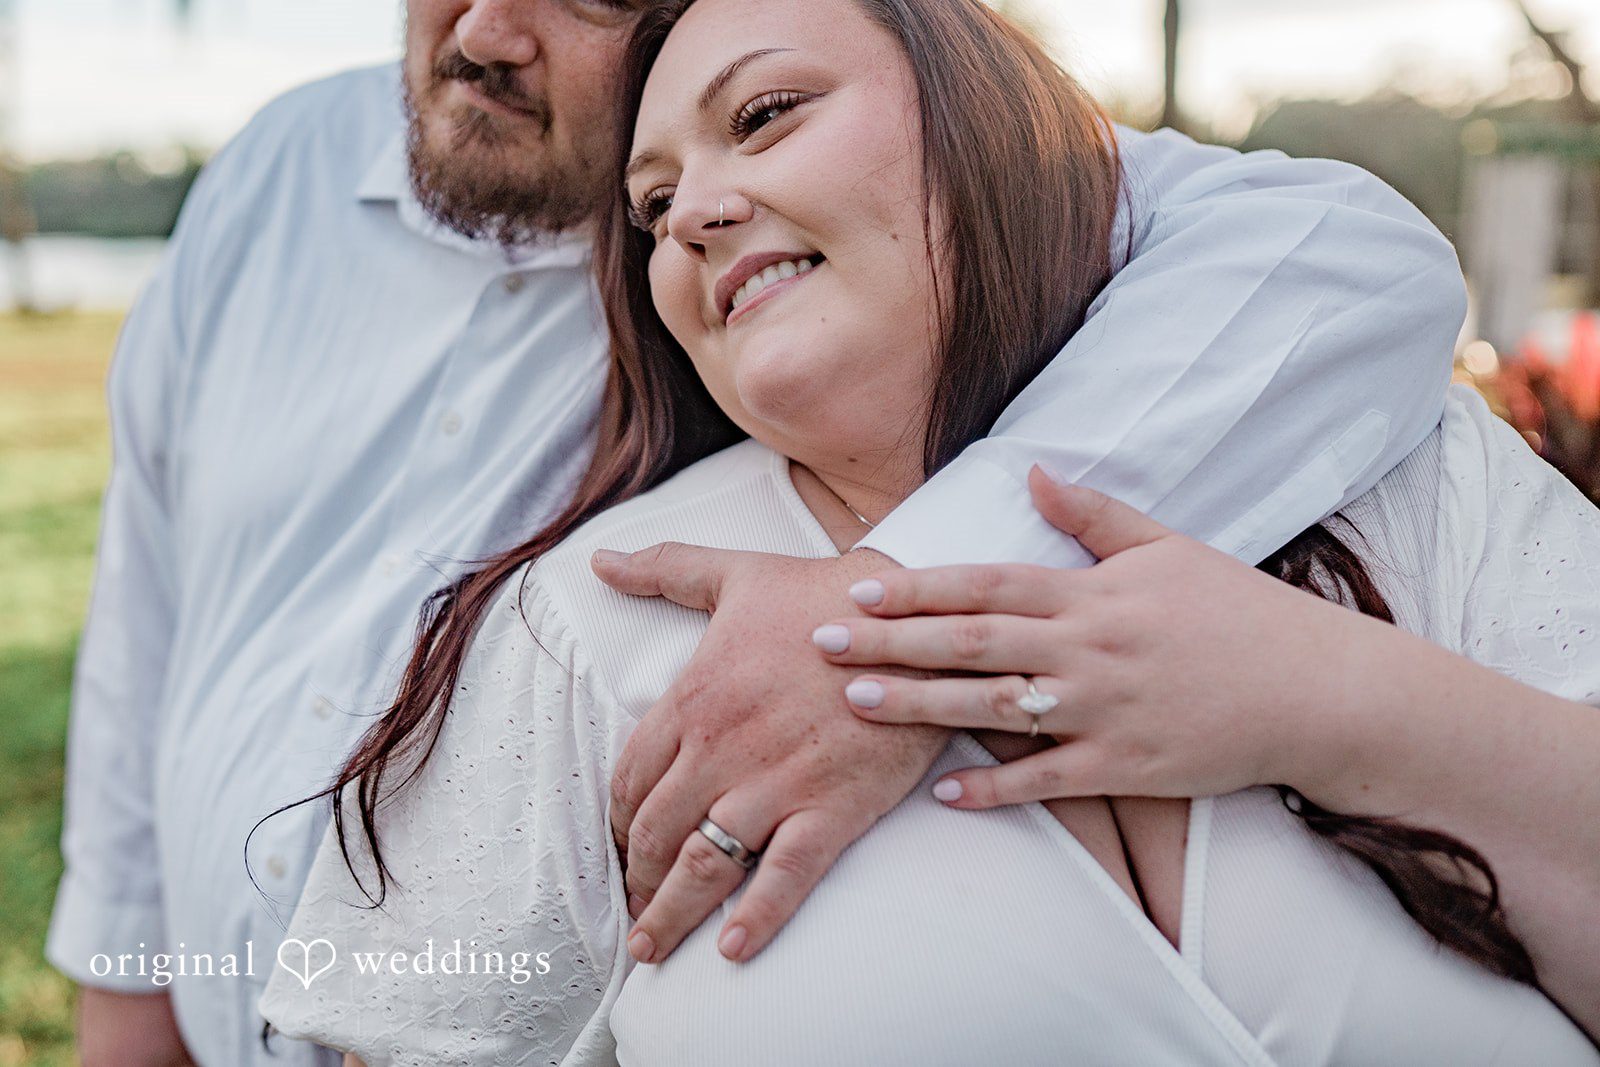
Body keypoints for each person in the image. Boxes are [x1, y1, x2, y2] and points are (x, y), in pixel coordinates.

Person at [47, 2, 1468, 1066]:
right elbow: (149, 634)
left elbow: (1339, 256)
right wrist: (131, 1007)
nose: (481, 33)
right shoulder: (267, 181)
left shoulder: (806, 243)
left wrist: (896, 618)